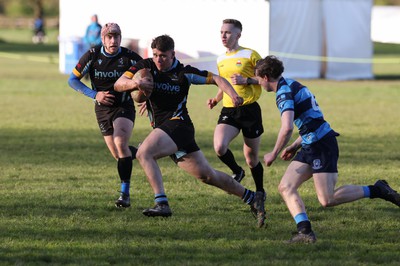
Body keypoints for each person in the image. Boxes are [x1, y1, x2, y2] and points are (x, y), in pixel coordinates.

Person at [114, 34, 266, 227]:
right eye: (155, 55)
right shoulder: (145, 67)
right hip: (165, 129)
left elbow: (218, 79)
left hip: (179, 125)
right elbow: (118, 84)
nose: (158, 60)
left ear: (172, 54)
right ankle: (252, 198)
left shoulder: (184, 73)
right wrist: (136, 84)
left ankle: (161, 203)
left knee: (145, 153)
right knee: (207, 175)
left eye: (163, 56)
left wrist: (233, 94)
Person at [254, 55, 400, 243]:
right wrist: (294, 145)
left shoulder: (283, 94)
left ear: (265, 77)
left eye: (258, 78)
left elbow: (287, 127)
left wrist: (273, 153)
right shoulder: (292, 84)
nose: (258, 82)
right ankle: (305, 232)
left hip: (321, 144)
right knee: (285, 186)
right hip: (310, 143)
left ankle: (377, 190)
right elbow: (311, 120)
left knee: (327, 199)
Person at [68, 23, 143, 208]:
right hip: (101, 109)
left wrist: (147, 98)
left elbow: (149, 76)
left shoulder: (130, 57)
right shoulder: (93, 56)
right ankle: (146, 151)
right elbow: (72, 80)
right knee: (118, 155)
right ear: (102, 39)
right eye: (109, 37)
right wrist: (96, 95)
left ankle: (124, 194)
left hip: (123, 106)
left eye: (116, 36)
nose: (113, 40)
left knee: (120, 142)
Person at [207, 19, 265, 200]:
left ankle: (260, 191)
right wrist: (216, 99)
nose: (223, 36)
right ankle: (237, 171)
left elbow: (267, 79)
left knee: (251, 158)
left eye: (228, 32)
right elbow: (223, 84)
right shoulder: (220, 59)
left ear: (238, 35)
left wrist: (247, 80)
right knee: (219, 147)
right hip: (229, 110)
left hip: (249, 110)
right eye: (221, 32)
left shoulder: (251, 54)